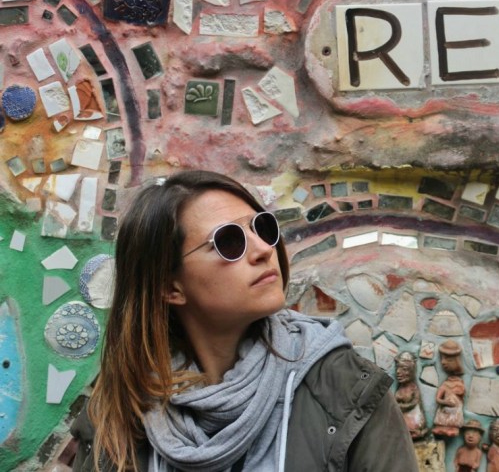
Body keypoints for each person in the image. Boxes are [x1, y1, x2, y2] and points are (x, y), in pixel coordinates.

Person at [70, 170, 418, 472]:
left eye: (261, 228)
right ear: (169, 287)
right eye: (229, 241)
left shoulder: (347, 392)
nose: (264, 249)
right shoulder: (118, 412)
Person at [432, 339, 465, 437]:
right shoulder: (445, 384)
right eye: (442, 359)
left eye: (448, 359)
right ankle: (441, 428)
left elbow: (462, 394)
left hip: (454, 413)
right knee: (443, 418)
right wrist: (445, 402)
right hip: (445, 410)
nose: (443, 362)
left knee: (454, 420)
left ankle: (452, 429)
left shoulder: (460, 383)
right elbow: (438, 398)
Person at [394, 351, 427, 439]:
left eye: (404, 369)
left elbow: (415, 402)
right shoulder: (399, 388)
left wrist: (402, 407)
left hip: (413, 417)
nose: (398, 372)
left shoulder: (413, 388)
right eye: (397, 368)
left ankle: (415, 432)